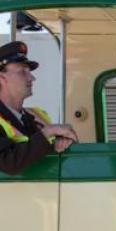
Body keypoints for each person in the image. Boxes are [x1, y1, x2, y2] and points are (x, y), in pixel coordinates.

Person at [0, 40, 77, 175]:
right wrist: (47, 133)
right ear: (2, 78)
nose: (32, 78)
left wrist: (65, 142)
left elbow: (50, 161)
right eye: (22, 72)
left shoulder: (37, 115)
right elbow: (8, 163)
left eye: (29, 71)